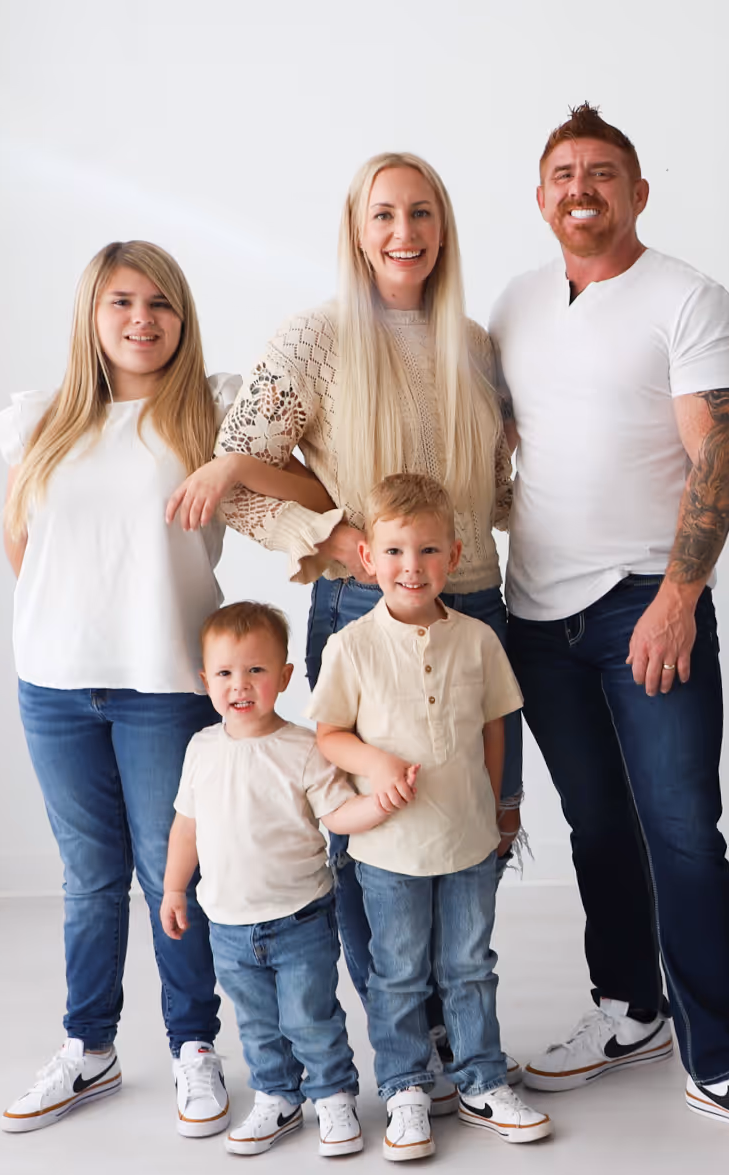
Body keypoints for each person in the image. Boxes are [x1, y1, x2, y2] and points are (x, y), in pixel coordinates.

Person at [490, 103, 729, 1151]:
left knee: (682, 828)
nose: (579, 185)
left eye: (601, 170)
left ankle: (720, 1058)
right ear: (541, 196)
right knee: (596, 825)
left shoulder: (688, 297)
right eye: (561, 172)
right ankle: (630, 1006)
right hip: (536, 615)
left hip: (646, 602)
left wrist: (680, 596)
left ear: (636, 191)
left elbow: (719, 453)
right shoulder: (514, 303)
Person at [0, 241, 334, 1137]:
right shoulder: (45, 419)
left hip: (163, 682)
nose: (142, 319)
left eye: (161, 304)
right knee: (89, 877)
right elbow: (22, 542)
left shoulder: (211, 411)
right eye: (121, 302)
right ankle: (88, 1046)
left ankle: (193, 1047)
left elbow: (309, 486)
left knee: (172, 870)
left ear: (182, 318)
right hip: (55, 685)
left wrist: (230, 469)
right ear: (92, 317)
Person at [199, 151, 521, 1092]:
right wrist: (339, 538)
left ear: (443, 228)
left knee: (468, 817)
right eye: (383, 215)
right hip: (359, 606)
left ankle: (462, 1024)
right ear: (356, 229)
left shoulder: (473, 343)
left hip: (476, 599)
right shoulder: (314, 339)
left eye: (422, 214)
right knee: (363, 829)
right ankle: (401, 1039)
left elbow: (495, 489)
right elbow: (236, 473)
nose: (404, 233)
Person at [307, 473, 552, 1159]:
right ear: (367, 559)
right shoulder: (352, 645)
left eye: (426, 552)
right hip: (389, 850)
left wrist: (506, 810)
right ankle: (407, 1087)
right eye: (393, 552)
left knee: (470, 964)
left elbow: (498, 726)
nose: (409, 568)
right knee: (400, 972)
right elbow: (327, 734)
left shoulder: (477, 639)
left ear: (454, 553)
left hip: (470, 838)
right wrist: (377, 763)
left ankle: (481, 1079)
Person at [159, 601, 391, 1157]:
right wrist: (172, 888)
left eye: (256, 670)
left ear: (285, 677)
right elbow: (185, 828)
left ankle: (333, 1095)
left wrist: (381, 803)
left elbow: (337, 817)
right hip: (228, 924)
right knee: (258, 1021)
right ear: (205, 681)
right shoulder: (201, 749)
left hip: (299, 917)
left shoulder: (304, 748)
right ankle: (277, 1097)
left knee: (311, 1015)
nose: (240, 685)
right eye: (225, 673)